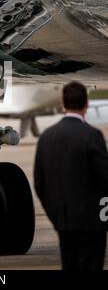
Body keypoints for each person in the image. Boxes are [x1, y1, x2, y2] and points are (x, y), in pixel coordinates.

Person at [34, 81, 108, 271]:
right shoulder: (91, 135)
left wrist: (56, 215)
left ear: (62, 104)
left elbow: (40, 183)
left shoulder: (47, 137)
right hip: (92, 221)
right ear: (87, 104)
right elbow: (105, 179)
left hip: (63, 221)